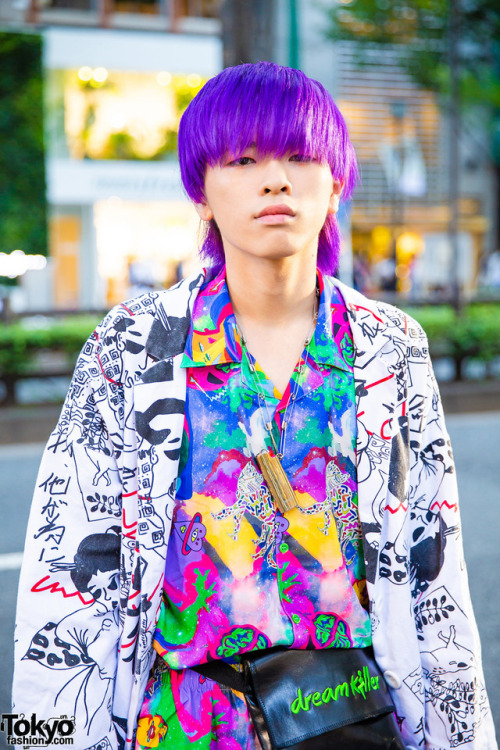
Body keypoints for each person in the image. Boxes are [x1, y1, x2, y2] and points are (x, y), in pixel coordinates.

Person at [12, 62, 496, 750]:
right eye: (243, 159)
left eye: (300, 155)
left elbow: (434, 576)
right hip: (182, 728)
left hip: (350, 720)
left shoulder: (390, 348)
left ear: (335, 184)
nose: (276, 178)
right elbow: (63, 580)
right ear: (202, 193)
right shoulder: (131, 347)